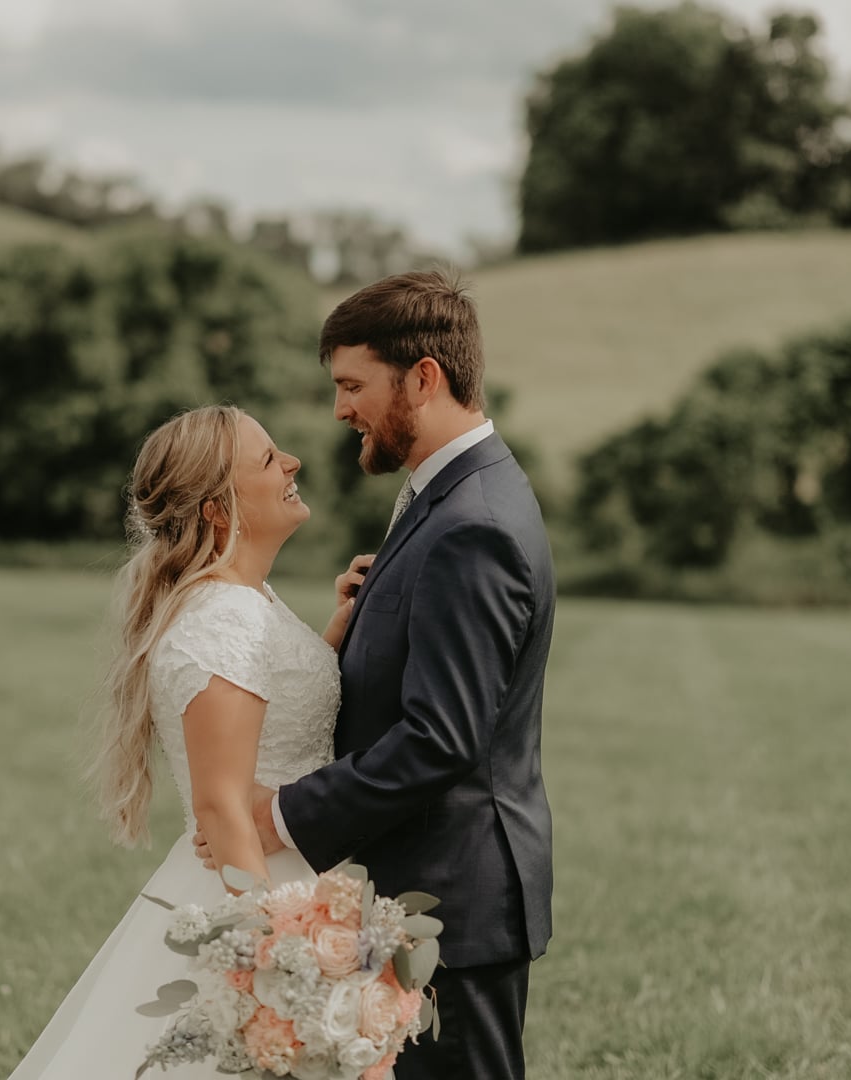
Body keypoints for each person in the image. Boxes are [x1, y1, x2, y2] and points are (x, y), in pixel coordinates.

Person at [198, 270, 555, 1079]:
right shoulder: (447, 496)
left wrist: (279, 813)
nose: (340, 409)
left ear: (422, 377)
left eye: (353, 385)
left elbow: (442, 739)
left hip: (451, 906)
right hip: (414, 893)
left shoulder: (474, 524)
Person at [6, 404, 362, 1078]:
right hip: (255, 893)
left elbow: (271, 714)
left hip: (299, 874)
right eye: (268, 459)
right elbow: (222, 808)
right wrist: (277, 970)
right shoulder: (223, 616)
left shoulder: (244, 601)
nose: (292, 463)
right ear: (219, 512)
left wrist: (335, 635)